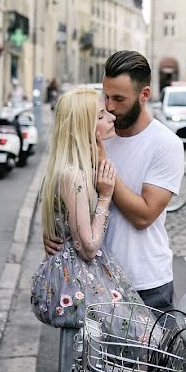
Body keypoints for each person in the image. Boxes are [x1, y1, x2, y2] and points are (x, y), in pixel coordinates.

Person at [45, 51, 184, 311]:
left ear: (144, 95)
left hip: (145, 282)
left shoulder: (165, 144)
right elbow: (69, 187)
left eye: (119, 99)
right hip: (93, 283)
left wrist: (103, 165)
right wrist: (55, 229)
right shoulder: (98, 129)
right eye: (106, 96)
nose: (110, 107)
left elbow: (144, 216)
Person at [31, 87, 151, 329]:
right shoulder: (73, 176)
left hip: (77, 281)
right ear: (82, 127)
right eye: (100, 116)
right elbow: (87, 248)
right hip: (79, 283)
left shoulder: (69, 169)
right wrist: (106, 196)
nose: (112, 117)